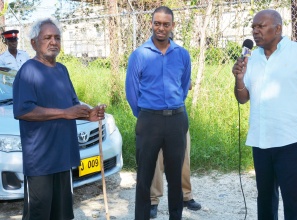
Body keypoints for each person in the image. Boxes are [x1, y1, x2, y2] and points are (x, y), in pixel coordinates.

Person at [232, 9, 297, 220]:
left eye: (260, 26)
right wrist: (239, 78)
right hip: (261, 141)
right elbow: (243, 98)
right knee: (265, 201)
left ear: (278, 28)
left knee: (294, 202)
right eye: (253, 27)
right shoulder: (252, 58)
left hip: (291, 142)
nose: (255, 31)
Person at [13, 18, 106, 220]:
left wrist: (90, 113)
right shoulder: (28, 71)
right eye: (47, 37)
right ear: (34, 43)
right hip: (41, 162)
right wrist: (64, 113)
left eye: (57, 37)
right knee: (39, 215)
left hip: (63, 157)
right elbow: (23, 110)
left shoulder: (62, 70)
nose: (53, 42)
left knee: (62, 214)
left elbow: (73, 104)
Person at [125, 6, 191, 220]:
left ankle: (175, 216)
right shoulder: (139, 55)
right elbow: (131, 92)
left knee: (175, 177)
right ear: (151, 24)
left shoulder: (182, 54)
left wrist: (173, 107)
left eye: (166, 24)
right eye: (157, 23)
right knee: (144, 176)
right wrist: (146, 114)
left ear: (172, 26)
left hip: (176, 121)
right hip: (149, 121)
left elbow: (183, 87)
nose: (161, 28)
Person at [150, 82, 201, 219]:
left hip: (178, 115)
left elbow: (188, 84)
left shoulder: (181, 59)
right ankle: (153, 200)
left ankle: (186, 196)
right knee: (156, 160)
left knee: (184, 160)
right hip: (155, 116)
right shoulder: (150, 60)